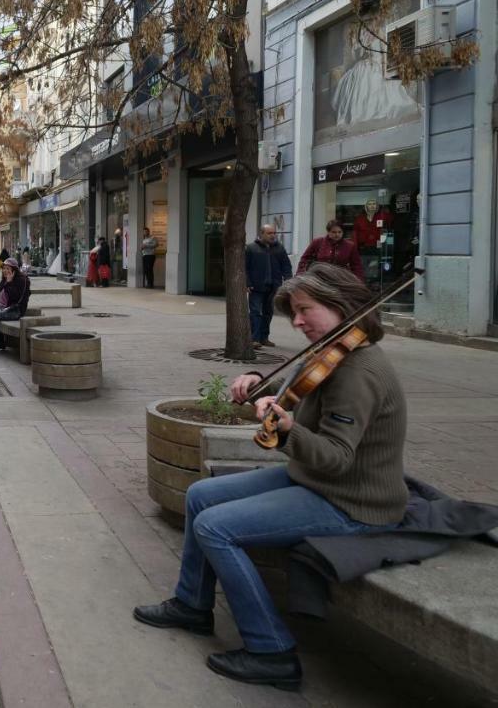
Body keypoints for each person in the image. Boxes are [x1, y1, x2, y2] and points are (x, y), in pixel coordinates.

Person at [133, 264, 408, 691]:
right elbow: (294, 386)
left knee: (215, 527)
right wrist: (258, 383)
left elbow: (335, 457)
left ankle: (271, 651)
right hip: (317, 482)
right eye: (293, 313)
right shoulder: (334, 351)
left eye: (305, 310)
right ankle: (192, 605)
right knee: (202, 495)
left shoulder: (359, 372)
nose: (297, 321)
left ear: (342, 305)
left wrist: (286, 431)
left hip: (353, 502)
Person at [245, 224, 293, 348]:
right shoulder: (251, 248)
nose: (273, 235)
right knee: (255, 312)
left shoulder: (279, 248)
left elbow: (286, 266)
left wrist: (288, 281)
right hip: (256, 286)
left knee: (268, 312)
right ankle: (254, 339)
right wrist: (247, 283)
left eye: (274, 233)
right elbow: (245, 267)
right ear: (261, 234)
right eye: (269, 233)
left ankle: (264, 337)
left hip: (274, 286)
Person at [298, 220, 364, 280]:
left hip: (341, 279)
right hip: (320, 278)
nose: (337, 234)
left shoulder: (350, 246)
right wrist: (300, 275)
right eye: (334, 232)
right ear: (328, 232)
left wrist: (358, 280)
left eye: (339, 232)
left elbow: (356, 265)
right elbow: (304, 259)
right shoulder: (318, 242)